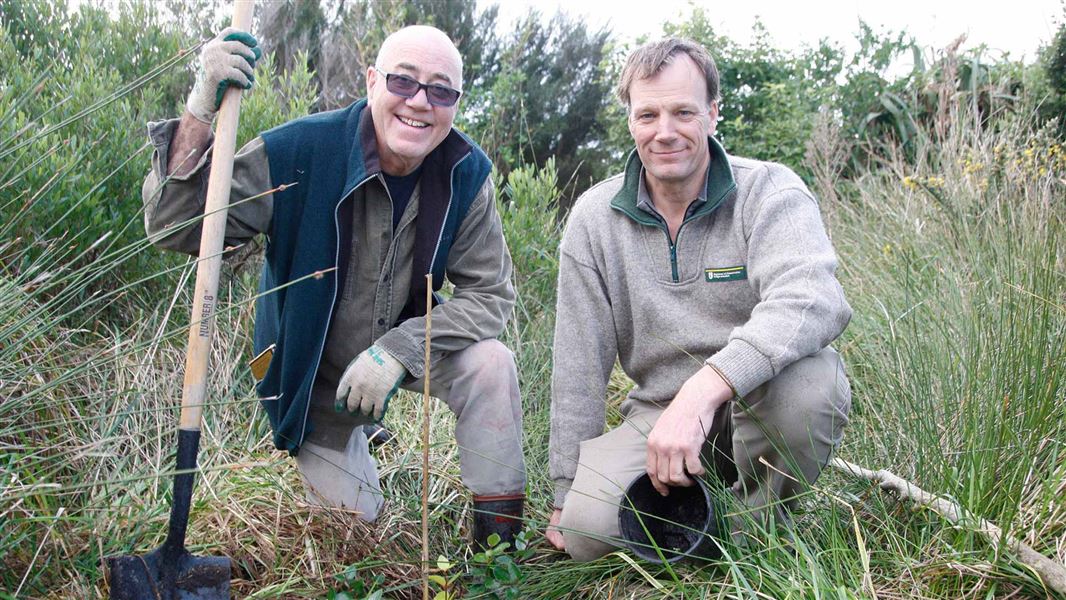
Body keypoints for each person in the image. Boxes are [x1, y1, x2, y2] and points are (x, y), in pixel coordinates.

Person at [142, 25, 526, 548]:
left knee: (492, 363)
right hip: (314, 382)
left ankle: (497, 558)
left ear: (455, 102)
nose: (419, 102)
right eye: (403, 81)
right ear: (371, 81)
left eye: (441, 90)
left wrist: (399, 349)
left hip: (403, 356)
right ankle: (354, 438)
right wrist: (201, 107)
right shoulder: (300, 150)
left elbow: (491, 296)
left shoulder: (466, 172)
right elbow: (176, 223)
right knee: (360, 542)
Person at [545, 37, 852, 560]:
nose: (665, 132)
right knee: (586, 534)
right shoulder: (593, 219)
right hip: (657, 417)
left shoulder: (771, 192)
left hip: (758, 400)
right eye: (648, 114)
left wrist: (702, 391)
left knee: (810, 386)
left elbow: (812, 298)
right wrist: (564, 490)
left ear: (712, 113)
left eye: (683, 111)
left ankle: (756, 530)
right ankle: (704, 522)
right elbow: (578, 365)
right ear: (630, 121)